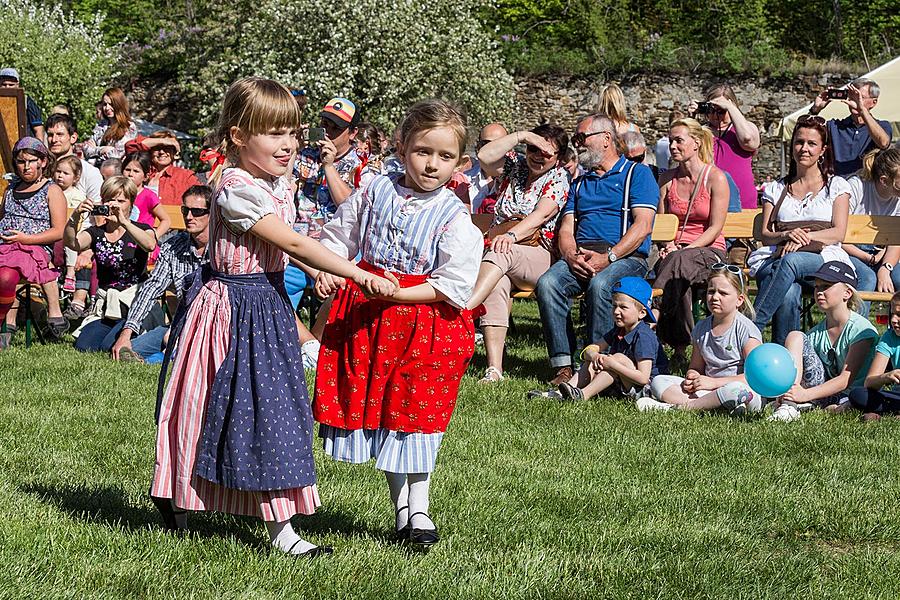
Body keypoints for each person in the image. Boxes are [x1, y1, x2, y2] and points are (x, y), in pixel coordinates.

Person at [150, 77, 395, 555]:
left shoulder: (276, 182)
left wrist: (314, 270)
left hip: (268, 305)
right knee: (202, 407)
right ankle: (179, 497)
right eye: (274, 133)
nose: (288, 145)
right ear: (240, 136)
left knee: (276, 414)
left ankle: (282, 530)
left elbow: (291, 242)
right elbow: (293, 240)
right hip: (229, 309)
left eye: (293, 132)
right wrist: (356, 275)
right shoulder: (234, 188)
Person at [312, 98, 482, 549]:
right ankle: (403, 511)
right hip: (370, 318)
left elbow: (454, 282)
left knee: (416, 413)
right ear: (403, 147)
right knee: (385, 413)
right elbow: (338, 236)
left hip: (426, 324)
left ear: (460, 163)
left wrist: (399, 293)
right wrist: (328, 270)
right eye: (424, 151)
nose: (432, 164)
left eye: (445, 157)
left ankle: (420, 509)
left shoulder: (454, 215)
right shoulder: (374, 190)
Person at [534, 114, 659, 386]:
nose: (577, 144)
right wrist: (570, 255)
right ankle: (563, 366)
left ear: (606, 139)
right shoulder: (579, 182)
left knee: (601, 285)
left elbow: (642, 227)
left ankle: (599, 365)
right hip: (582, 254)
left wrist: (609, 256)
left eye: (582, 138)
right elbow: (566, 228)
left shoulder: (637, 174)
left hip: (626, 257)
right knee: (547, 283)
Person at [466, 124, 570, 383]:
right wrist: (521, 136)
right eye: (533, 148)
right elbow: (485, 157)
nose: (537, 156)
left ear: (558, 157)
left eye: (546, 153)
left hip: (539, 255)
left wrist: (511, 236)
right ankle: (494, 369)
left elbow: (540, 216)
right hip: (503, 253)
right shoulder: (516, 168)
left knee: (502, 254)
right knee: (497, 283)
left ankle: (463, 311)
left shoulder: (559, 178)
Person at [750, 115, 851, 344]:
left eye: (811, 143)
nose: (804, 148)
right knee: (788, 293)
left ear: (822, 149)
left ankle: (749, 328)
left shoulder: (836, 186)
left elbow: (838, 233)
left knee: (792, 261)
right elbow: (765, 235)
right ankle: (787, 361)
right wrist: (786, 234)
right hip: (776, 257)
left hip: (821, 259)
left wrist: (805, 237)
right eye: (799, 142)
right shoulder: (776, 188)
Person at [652, 118, 729, 368]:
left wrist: (685, 248)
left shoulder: (715, 178)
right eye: (670, 140)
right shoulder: (666, 179)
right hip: (675, 254)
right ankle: (681, 348)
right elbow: (662, 223)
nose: (672, 146)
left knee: (679, 261)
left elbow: (716, 227)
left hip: (709, 250)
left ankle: (651, 313)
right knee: (678, 273)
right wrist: (667, 245)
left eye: (678, 140)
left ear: (696, 143)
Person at [638, 264, 762, 413]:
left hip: (741, 390)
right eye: (711, 291)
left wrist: (713, 382)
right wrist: (692, 377)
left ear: (739, 300)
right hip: (707, 390)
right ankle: (711, 406)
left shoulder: (746, 330)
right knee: (658, 381)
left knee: (736, 391)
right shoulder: (701, 328)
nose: (715, 297)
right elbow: (696, 367)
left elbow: (754, 378)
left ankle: (679, 408)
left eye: (723, 293)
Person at [110, 185, 212, 362]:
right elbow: (150, 290)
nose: (189, 217)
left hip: (214, 326)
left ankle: (171, 354)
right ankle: (170, 352)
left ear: (212, 214)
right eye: (185, 210)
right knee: (130, 350)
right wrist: (126, 333)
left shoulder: (224, 248)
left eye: (197, 211)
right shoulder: (173, 247)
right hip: (180, 323)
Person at [770, 261, 877, 421]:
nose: (819, 292)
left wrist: (805, 394)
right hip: (823, 392)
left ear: (847, 293)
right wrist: (793, 391)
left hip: (854, 394)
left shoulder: (861, 329)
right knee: (795, 336)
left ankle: (803, 402)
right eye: (817, 286)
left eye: (826, 286)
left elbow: (845, 380)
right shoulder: (815, 333)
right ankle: (788, 402)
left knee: (853, 403)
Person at [534, 277, 666, 401]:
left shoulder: (644, 336)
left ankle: (582, 395)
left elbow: (643, 378)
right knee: (595, 360)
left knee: (617, 358)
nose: (616, 311)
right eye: (614, 306)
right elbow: (589, 350)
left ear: (642, 313)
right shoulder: (618, 330)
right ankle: (561, 392)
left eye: (623, 307)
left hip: (647, 391)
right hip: (624, 383)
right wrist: (594, 355)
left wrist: (613, 364)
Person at [64, 176, 157, 352]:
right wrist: (74, 217)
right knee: (85, 346)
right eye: (110, 199)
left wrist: (125, 222)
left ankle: (132, 332)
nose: (114, 204)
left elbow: (150, 244)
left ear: (131, 203)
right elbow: (72, 243)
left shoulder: (141, 229)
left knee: (108, 345)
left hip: (134, 302)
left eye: (121, 200)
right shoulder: (96, 233)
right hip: (107, 305)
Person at [0, 138, 67, 346]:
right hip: (6, 245)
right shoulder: (10, 189)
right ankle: (7, 324)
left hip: (34, 247)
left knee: (6, 276)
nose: (26, 166)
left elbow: (58, 231)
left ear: (43, 162)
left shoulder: (51, 190)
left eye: (31, 161)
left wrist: (25, 239)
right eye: (21, 162)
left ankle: (5, 325)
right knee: (6, 274)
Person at [844, 148, 900, 304]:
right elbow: (838, 234)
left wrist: (885, 267)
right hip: (850, 251)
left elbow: (896, 239)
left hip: (881, 253)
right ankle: (856, 327)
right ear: (884, 180)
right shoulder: (856, 187)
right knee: (867, 278)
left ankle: (895, 325)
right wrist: (868, 258)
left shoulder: (898, 198)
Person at [691, 84, 760, 209]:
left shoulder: (745, 127)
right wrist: (691, 119)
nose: (717, 115)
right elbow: (685, 150)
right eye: (712, 110)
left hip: (742, 200)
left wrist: (729, 107)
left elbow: (748, 140)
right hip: (708, 200)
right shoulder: (702, 131)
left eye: (721, 110)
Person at [810, 78, 892, 177]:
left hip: (866, 188)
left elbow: (883, 143)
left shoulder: (882, 126)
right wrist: (815, 109)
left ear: (873, 102)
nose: (855, 101)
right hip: (837, 188)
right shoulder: (834, 126)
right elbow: (803, 133)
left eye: (860, 97)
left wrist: (862, 110)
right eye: (852, 96)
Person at [849, 292, 900, 419]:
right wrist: (887, 376)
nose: (893, 320)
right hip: (896, 396)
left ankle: (882, 414)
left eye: (899, 315)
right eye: (892, 314)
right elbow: (869, 382)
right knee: (858, 394)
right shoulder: (889, 337)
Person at [122, 150, 171, 262]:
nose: (130, 174)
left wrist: (153, 237)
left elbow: (166, 220)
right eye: (127, 170)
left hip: (141, 243)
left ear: (146, 176)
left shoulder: (148, 196)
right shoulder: (117, 195)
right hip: (121, 241)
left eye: (136, 171)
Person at [45, 114, 102, 203]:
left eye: (60, 134)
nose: (54, 140)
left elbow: (97, 210)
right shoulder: (43, 170)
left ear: (73, 137)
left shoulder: (89, 172)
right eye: (50, 135)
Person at [53, 155, 87, 293]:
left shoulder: (76, 195)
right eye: (58, 171)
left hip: (72, 230)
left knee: (70, 242)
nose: (60, 176)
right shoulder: (50, 191)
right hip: (53, 230)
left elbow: (80, 218)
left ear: (76, 177)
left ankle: (70, 272)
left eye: (65, 173)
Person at [142, 131, 202, 206]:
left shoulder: (185, 177)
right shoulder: (142, 173)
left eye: (167, 148)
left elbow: (203, 199)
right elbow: (130, 146)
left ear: (174, 152)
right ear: (150, 151)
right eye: (157, 148)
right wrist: (164, 141)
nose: (161, 152)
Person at [83, 87, 138, 162]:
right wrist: (101, 150)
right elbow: (86, 148)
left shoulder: (128, 127)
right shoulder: (101, 125)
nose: (107, 108)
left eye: (111, 104)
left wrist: (95, 149)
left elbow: (117, 154)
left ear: (119, 104)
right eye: (105, 104)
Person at [467, 123, 509, 213]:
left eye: (499, 143)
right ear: (478, 146)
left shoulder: (519, 184)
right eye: (486, 144)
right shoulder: (463, 181)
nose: (492, 149)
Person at [0, 68, 44, 140]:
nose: (7, 87)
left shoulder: (27, 102)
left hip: (25, 147)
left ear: (17, 85)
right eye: (4, 84)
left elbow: (38, 129)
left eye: (11, 85)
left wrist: (39, 149)